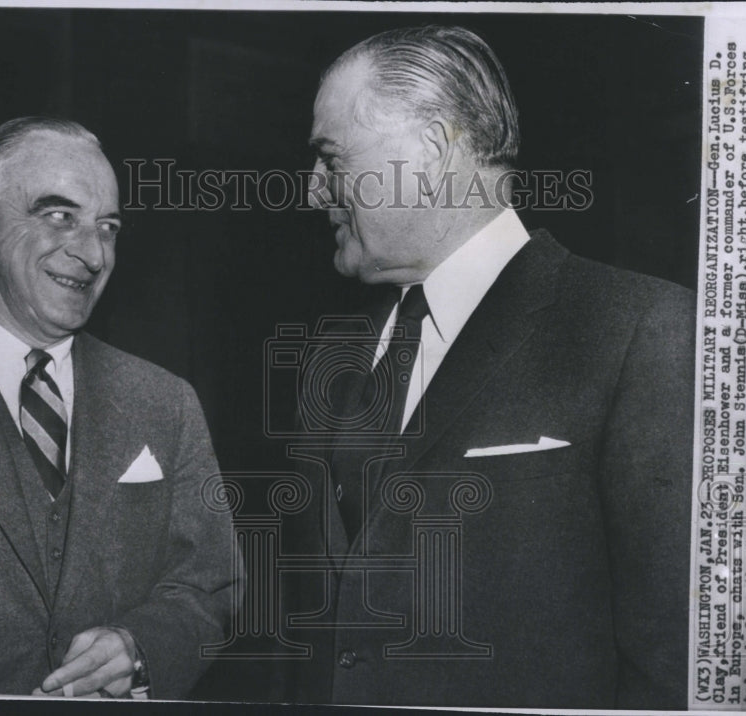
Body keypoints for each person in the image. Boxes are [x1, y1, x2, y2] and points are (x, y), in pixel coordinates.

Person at [283, 26, 695, 708]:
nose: (313, 192)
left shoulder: (640, 332)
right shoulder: (331, 362)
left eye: (331, 159)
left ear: (435, 149)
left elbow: (675, 663)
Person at [0, 117, 236, 698]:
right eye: (59, 216)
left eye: (107, 227)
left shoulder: (164, 401)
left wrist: (141, 645)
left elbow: (213, 585)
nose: (92, 253)